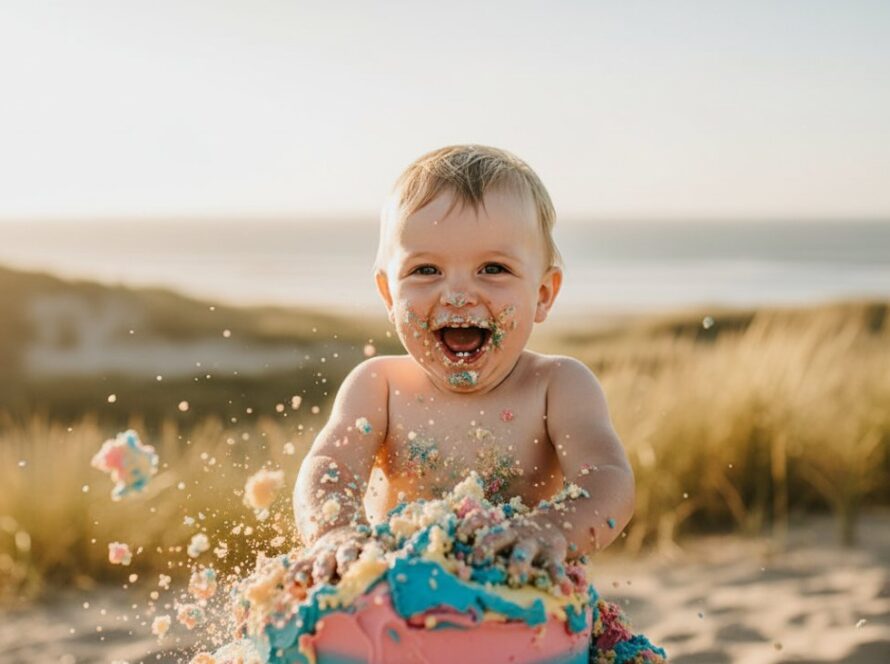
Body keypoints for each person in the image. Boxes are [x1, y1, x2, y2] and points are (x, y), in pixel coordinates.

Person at [292, 144, 635, 590]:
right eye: (426, 270)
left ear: (543, 294)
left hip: (524, 607)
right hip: (395, 602)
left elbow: (608, 479)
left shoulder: (558, 386)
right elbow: (328, 464)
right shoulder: (378, 387)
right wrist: (334, 531)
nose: (456, 294)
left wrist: (551, 529)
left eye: (493, 268)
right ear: (387, 295)